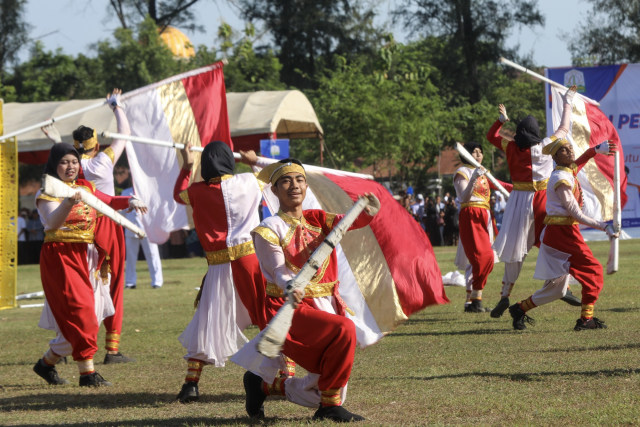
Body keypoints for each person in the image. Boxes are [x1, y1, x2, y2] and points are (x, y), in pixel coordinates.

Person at [238, 158, 380, 422]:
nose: (294, 185)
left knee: (327, 386)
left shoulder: (318, 219)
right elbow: (279, 269)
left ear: (306, 186)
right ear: (275, 190)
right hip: (290, 307)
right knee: (343, 330)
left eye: (299, 180)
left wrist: (367, 211)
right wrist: (289, 284)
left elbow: (349, 222)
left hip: (326, 303)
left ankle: (264, 386)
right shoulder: (268, 229)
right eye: (286, 181)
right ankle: (328, 409)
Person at [32, 143, 145, 387]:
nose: (70, 166)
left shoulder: (86, 187)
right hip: (61, 256)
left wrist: (130, 201)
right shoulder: (46, 192)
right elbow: (52, 223)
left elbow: (108, 202)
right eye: (64, 162)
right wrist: (69, 202)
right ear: (54, 165)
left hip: (90, 257)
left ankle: (47, 363)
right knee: (83, 315)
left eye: (74, 162)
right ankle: (87, 374)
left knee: (90, 315)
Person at [41, 88, 134, 364]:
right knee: (112, 285)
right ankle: (111, 348)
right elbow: (124, 135)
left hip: (73, 232)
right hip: (105, 225)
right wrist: (117, 107)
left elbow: (62, 158)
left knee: (76, 288)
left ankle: (69, 340)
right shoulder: (103, 163)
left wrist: (56, 140)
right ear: (96, 144)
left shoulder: (73, 167)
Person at [172, 141, 268, 403]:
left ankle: (191, 382)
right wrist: (254, 161)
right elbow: (276, 175)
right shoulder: (250, 181)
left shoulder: (195, 191)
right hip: (249, 262)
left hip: (217, 266)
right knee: (267, 314)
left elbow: (177, 194)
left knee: (206, 322)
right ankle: (282, 375)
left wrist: (187, 165)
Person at [486, 86, 582, 318]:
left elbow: (491, 137)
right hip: (540, 200)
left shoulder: (510, 147)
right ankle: (562, 284)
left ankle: (505, 294)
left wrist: (501, 120)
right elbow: (564, 128)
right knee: (552, 242)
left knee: (516, 250)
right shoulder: (545, 147)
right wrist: (568, 101)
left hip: (517, 202)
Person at [508, 138, 618, 330]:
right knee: (593, 271)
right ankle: (586, 320)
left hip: (559, 234)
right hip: (562, 235)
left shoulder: (566, 171)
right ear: (556, 156)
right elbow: (575, 213)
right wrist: (604, 226)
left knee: (557, 289)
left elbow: (580, 162)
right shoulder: (561, 179)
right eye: (565, 150)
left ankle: (519, 309)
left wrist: (595, 150)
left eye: (570, 148)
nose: (571, 152)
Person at [453, 142, 502, 313]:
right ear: (466, 154)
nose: (478, 155)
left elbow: (500, 185)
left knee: (488, 258)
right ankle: (473, 299)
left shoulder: (483, 172)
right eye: (474, 152)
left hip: (485, 216)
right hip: (471, 214)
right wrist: (473, 178)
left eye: (480, 152)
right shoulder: (462, 173)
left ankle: (475, 299)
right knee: (480, 258)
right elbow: (463, 198)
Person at [122, 187, 163, 289]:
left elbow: (155, 209)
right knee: (130, 258)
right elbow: (122, 211)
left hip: (147, 229)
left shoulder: (148, 189)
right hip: (131, 229)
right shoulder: (126, 192)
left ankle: (157, 281)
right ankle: (130, 282)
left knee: (152, 255)